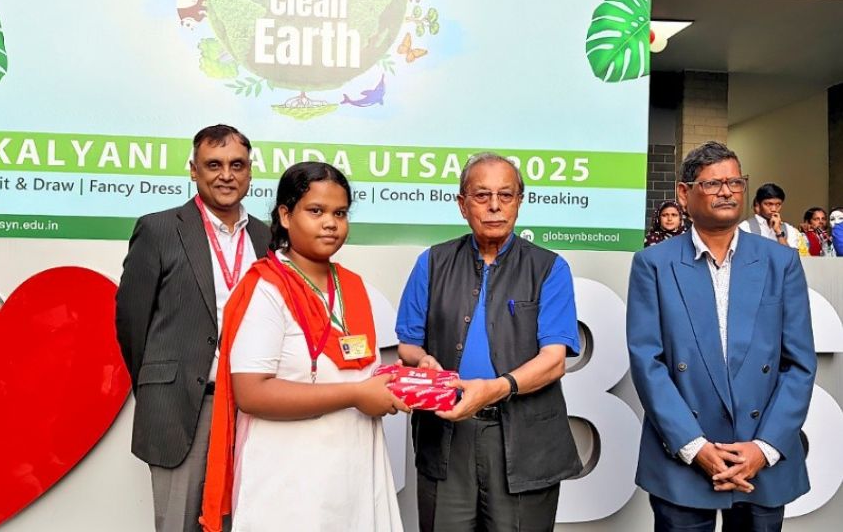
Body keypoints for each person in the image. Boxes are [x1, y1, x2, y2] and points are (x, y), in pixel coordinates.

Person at [199, 162, 406, 532]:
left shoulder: (355, 287)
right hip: (288, 479)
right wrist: (356, 394)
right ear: (285, 214)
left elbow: (362, 371)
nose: (330, 223)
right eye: (316, 211)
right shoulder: (265, 290)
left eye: (339, 213)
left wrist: (416, 382)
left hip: (354, 471)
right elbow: (251, 393)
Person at [627, 141, 816, 532]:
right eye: (713, 184)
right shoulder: (654, 264)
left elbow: (798, 363)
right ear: (684, 193)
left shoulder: (780, 262)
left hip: (760, 458)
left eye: (735, 181)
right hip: (682, 457)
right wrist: (695, 447)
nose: (727, 191)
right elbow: (648, 363)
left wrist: (763, 449)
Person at [396, 152, 582, 532]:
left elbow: (554, 360)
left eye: (506, 195)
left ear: (520, 201)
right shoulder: (431, 263)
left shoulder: (550, 268)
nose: (495, 206)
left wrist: (496, 389)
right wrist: (423, 361)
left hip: (524, 442)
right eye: (482, 196)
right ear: (462, 204)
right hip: (447, 436)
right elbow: (408, 345)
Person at [116, 124, 270, 532]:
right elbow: (132, 321)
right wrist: (158, 385)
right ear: (193, 171)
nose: (226, 175)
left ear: (250, 172)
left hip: (253, 406)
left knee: (248, 519)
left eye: (237, 165)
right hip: (184, 404)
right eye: (213, 165)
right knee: (179, 525)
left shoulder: (269, 237)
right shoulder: (160, 229)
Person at [738, 183, 802, 250]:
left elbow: (791, 258)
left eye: (778, 204)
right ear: (758, 204)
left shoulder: (789, 229)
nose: (774, 209)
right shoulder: (745, 227)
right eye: (769, 204)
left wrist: (778, 232)